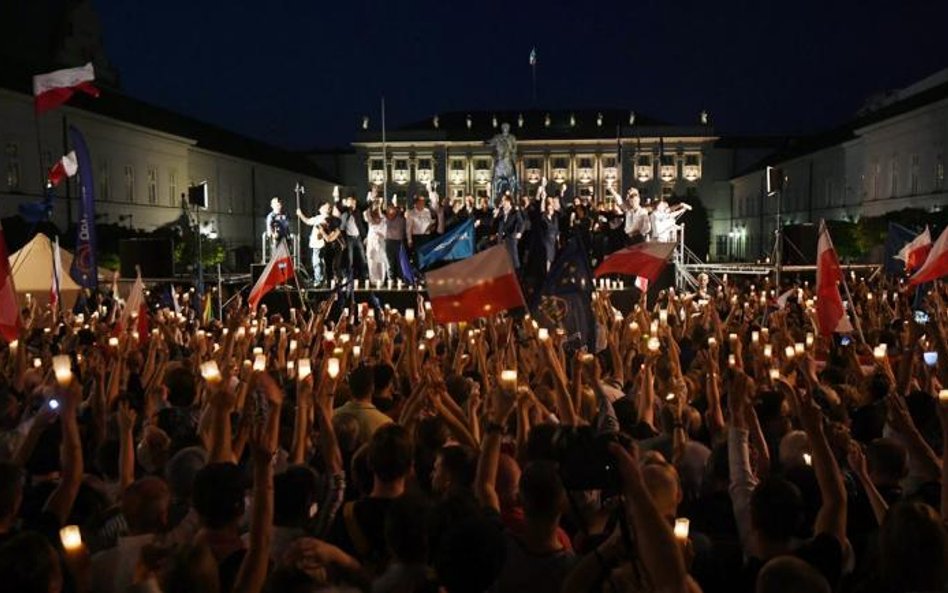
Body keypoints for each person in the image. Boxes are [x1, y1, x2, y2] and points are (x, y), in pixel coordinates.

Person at [297, 201, 335, 286]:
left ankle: (320, 280)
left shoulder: (328, 218)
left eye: (329, 207)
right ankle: (320, 279)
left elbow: (325, 227)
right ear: (320, 209)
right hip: (316, 244)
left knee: (319, 262)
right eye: (326, 207)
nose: (328, 209)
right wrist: (300, 214)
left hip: (323, 244)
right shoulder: (318, 218)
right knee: (317, 262)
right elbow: (307, 221)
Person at [339, 193, 368, 281]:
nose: (352, 205)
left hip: (358, 237)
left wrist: (364, 237)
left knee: (363, 257)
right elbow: (342, 227)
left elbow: (365, 206)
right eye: (350, 203)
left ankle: (364, 275)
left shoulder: (358, 212)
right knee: (349, 258)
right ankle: (349, 276)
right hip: (349, 238)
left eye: (353, 203)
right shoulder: (344, 214)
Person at [494, 193, 525, 269]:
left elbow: (522, 223)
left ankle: (517, 276)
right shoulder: (500, 212)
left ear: (509, 201)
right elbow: (494, 224)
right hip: (501, 240)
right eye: (502, 201)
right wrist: (495, 215)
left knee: (513, 261)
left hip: (511, 239)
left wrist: (520, 232)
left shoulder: (515, 212)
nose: (502, 202)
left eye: (504, 201)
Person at [363, 196, 388, 285]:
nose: (376, 207)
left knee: (381, 260)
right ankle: (373, 279)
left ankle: (381, 279)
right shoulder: (369, 216)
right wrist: (371, 201)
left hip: (381, 241)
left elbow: (385, 229)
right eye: (375, 206)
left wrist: (379, 206)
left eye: (378, 206)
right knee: (371, 259)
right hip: (371, 240)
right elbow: (366, 213)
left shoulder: (383, 217)